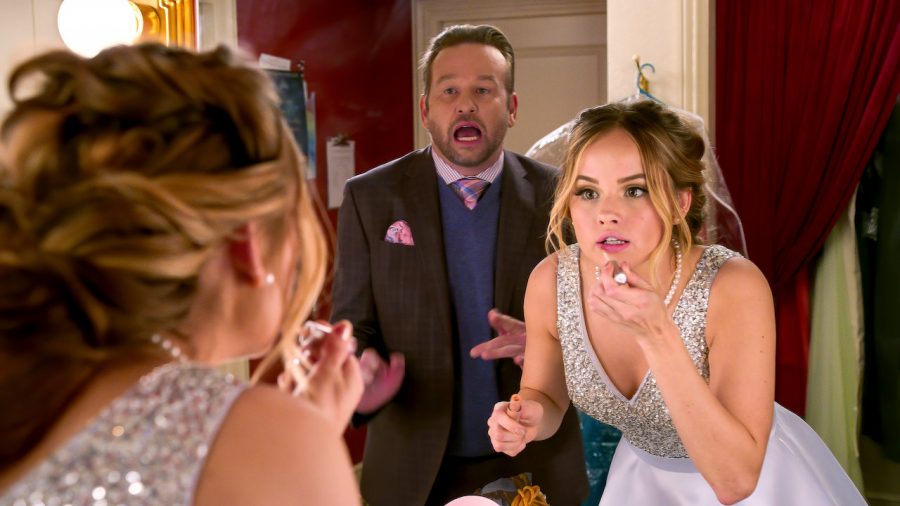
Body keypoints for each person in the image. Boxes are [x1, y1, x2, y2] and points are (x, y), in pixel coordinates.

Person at [0, 43, 363, 505]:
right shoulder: (263, 439)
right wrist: (303, 438)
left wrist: (304, 427)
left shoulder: (23, 388)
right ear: (247, 242)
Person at [487, 100, 867, 505]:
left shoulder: (732, 286)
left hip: (759, 485)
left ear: (679, 204)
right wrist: (526, 418)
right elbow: (546, 395)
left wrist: (657, 334)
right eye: (588, 192)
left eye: (635, 190)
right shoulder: (550, 282)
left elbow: (736, 482)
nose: (607, 213)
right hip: (642, 485)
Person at [331, 24, 587, 506]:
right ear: (426, 110)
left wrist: (553, 346)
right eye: (449, 90)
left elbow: (600, 325)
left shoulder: (564, 196)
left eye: (483, 90)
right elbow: (352, 325)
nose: (465, 104)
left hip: (534, 460)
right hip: (409, 469)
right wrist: (356, 375)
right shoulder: (370, 198)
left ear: (511, 108)